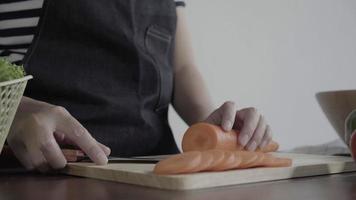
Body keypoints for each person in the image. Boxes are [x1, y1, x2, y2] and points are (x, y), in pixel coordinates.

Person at [1, 0, 273, 172]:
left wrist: (214, 128)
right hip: (39, 173)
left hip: (155, 173)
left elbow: (182, 68)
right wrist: (14, 111)